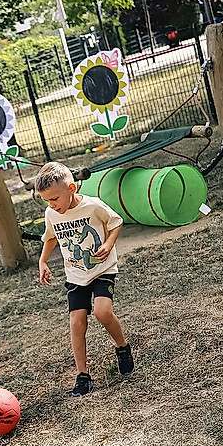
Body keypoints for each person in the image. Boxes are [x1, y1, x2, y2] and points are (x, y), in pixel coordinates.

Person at [34, 162, 135, 397]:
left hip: (102, 269)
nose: (51, 205)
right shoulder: (52, 213)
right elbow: (51, 238)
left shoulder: (92, 206)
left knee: (102, 312)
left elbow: (115, 222)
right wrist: (43, 261)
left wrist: (109, 244)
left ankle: (122, 347)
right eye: (47, 200)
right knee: (77, 323)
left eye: (55, 199)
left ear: (71, 188)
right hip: (76, 275)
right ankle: (83, 375)